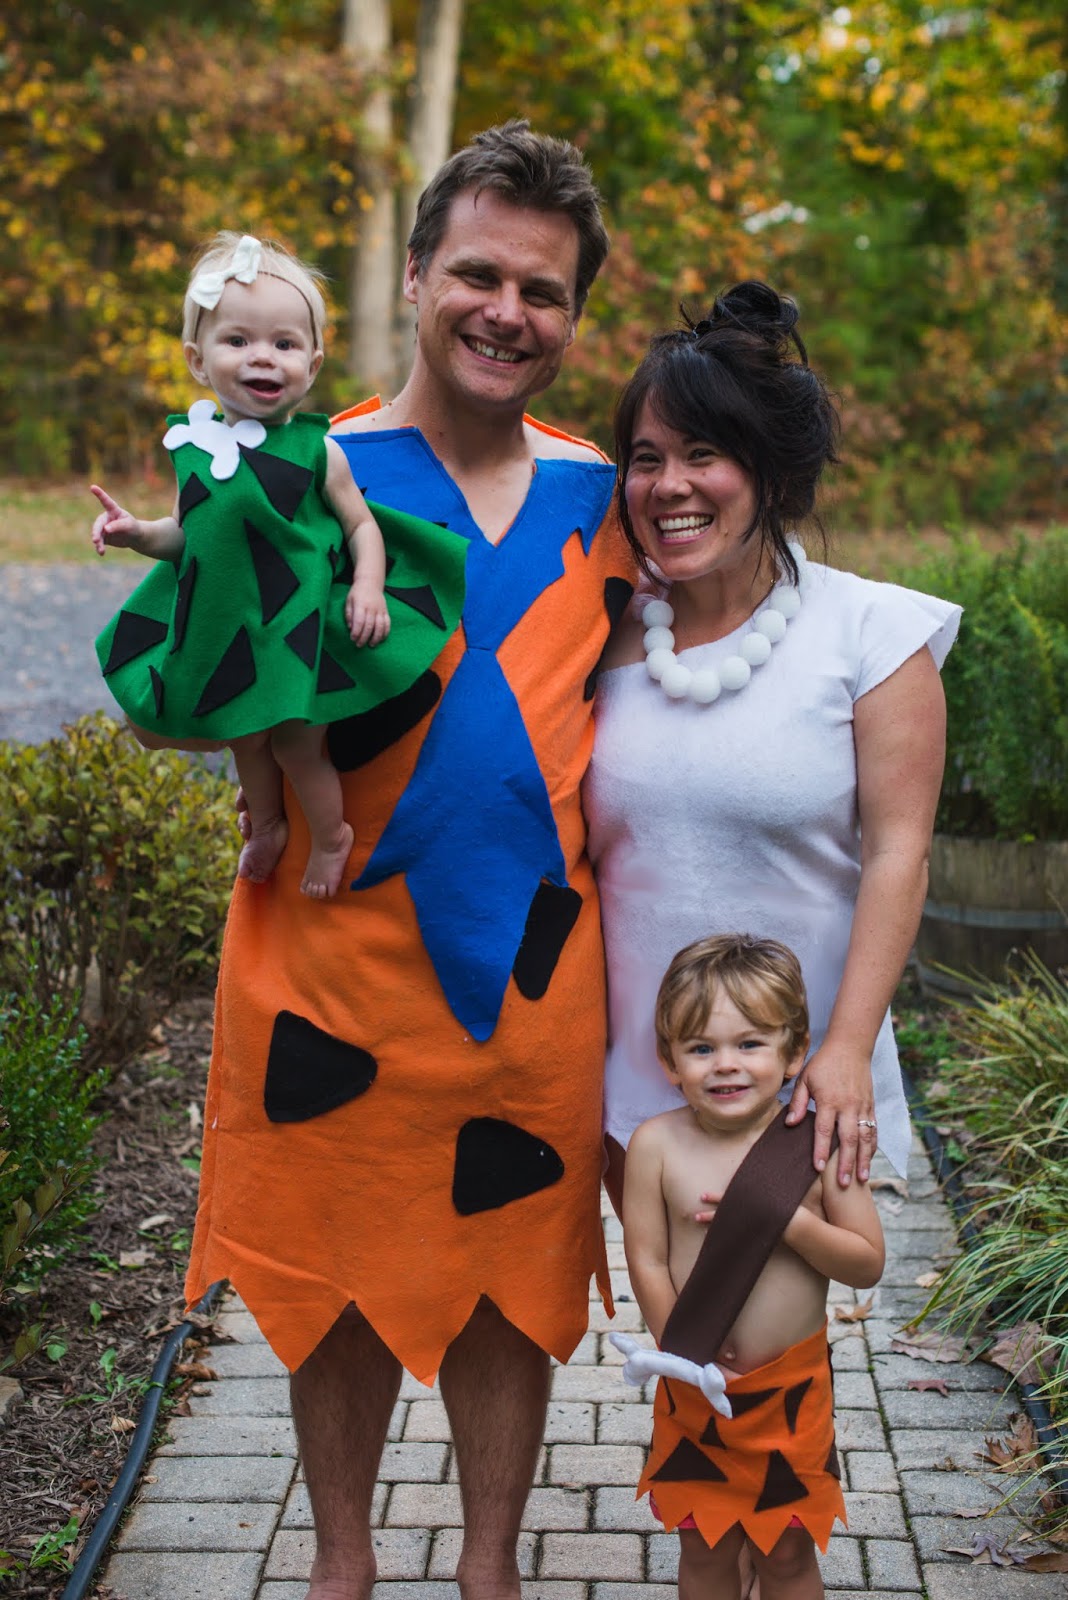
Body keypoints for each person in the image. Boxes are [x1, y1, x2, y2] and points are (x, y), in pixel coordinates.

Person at [182, 125, 635, 1600]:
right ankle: (340, 1569)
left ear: (575, 317)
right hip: (327, 968)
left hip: (530, 974)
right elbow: (195, 682)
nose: (510, 312)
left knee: (514, 1287)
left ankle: (494, 1571)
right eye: (481, 274)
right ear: (418, 276)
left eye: (546, 292)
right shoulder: (305, 470)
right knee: (336, 1276)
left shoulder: (609, 499)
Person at [584, 281, 962, 1211]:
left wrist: (843, 1048)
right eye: (645, 458)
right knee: (678, 1336)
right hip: (635, 1072)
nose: (668, 485)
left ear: (770, 475)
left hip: (798, 1075)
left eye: (703, 454)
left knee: (771, 1338)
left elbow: (899, 858)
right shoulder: (600, 633)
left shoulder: (872, 635)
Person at [91, 231, 466, 898]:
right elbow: (188, 537)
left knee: (295, 744)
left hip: (295, 624)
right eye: (238, 341)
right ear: (198, 360)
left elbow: (362, 528)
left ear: (313, 362)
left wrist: (371, 588)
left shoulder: (320, 452)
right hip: (230, 623)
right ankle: (265, 824)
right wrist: (135, 534)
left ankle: (331, 837)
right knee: (244, 737)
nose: (262, 357)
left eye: (284, 344)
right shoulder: (195, 451)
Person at [617, 934, 884, 1600]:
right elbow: (647, 1259)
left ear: (796, 1053)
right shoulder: (655, 1145)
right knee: (703, 1547)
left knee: (787, 1552)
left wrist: (788, 1220)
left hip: (787, 1396)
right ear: (668, 1061)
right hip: (695, 1390)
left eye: (750, 1044)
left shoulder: (817, 1147)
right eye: (701, 1048)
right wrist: (681, 1354)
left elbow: (867, 1263)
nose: (725, 1066)